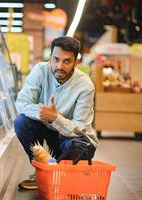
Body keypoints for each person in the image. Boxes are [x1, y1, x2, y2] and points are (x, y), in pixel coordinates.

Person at [14, 36, 99, 190]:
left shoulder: (85, 85)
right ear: (50, 57)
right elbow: (22, 103)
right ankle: (46, 170)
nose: (59, 66)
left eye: (67, 61)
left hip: (69, 138)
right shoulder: (40, 71)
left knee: (82, 145)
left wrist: (56, 118)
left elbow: (81, 127)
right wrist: (43, 112)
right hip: (46, 131)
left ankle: (53, 172)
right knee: (21, 122)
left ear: (75, 62)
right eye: (56, 59)